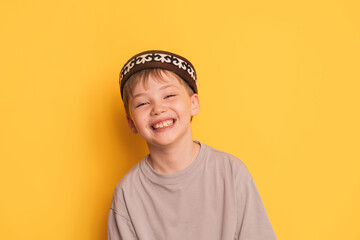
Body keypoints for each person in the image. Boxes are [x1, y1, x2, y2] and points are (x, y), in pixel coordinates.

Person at [108, 50, 277, 240]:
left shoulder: (231, 173)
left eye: (169, 95)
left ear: (194, 104)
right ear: (131, 123)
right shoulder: (127, 194)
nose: (158, 108)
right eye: (143, 103)